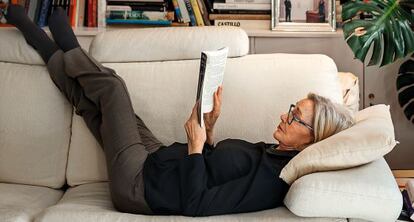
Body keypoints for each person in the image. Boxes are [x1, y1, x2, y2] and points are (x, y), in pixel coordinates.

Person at [1, 4, 355, 217]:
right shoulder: (273, 152)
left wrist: (197, 147)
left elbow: (198, 203)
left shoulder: (270, 182)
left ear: (311, 139)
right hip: (157, 160)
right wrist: (210, 129)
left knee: (112, 90)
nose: (285, 114)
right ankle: (43, 42)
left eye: (296, 117)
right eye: (293, 107)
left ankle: (67, 44)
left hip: (141, 187)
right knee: (92, 108)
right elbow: (216, 170)